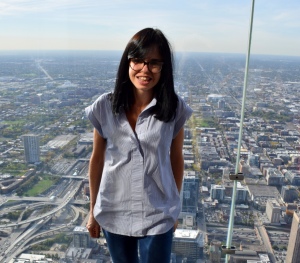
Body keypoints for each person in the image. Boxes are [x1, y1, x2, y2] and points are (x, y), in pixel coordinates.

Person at [85, 28, 193, 263]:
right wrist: (92, 211)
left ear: (164, 69)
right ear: (127, 63)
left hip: (157, 212)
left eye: (154, 63)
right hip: (114, 209)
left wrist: (174, 209)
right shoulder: (104, 107)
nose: (145, 69)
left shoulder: (175, 108)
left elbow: (176, 159)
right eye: (138, 61)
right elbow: (97, 160)